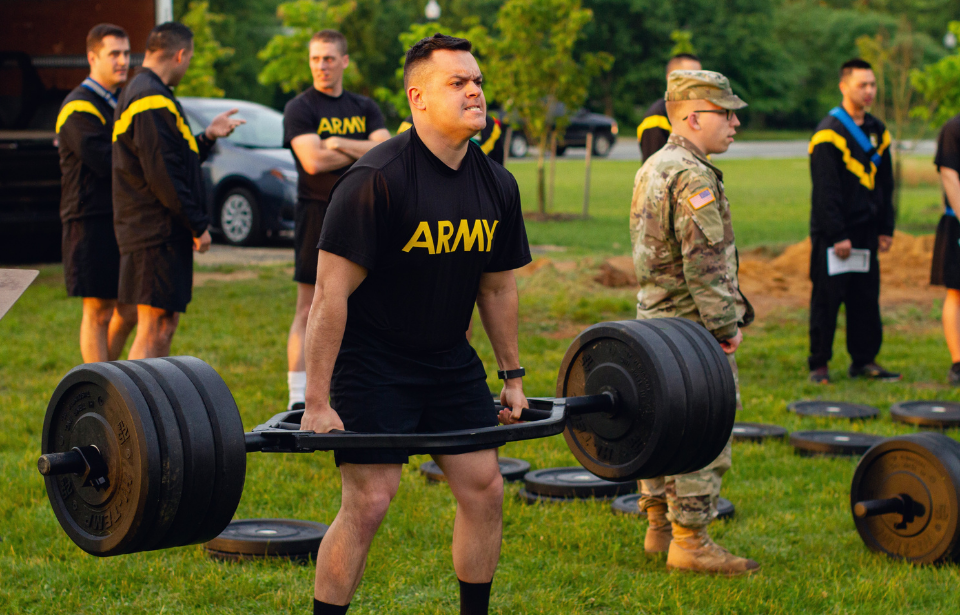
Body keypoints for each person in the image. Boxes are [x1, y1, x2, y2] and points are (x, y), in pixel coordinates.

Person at [301, 33, 532, 614]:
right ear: (418, 98)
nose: (475, 91)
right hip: (373, 359)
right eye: (458, 83)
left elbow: (498, 286)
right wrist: (318, 401)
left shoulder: (496, 183)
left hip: (449, 358)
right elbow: (329, 299)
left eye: (477, 81)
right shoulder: (376, 179)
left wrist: (513, 376)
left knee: (485, 489)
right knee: (371, 500)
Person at [630, 70, 759, 575]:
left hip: (653, 326)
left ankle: (658, 527)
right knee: (705, 425)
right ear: (694, 116)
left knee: (659, 423)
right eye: (727, 114)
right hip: (690, 331)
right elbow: (704, 266)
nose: (734, 124)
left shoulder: (654, 165)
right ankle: (691, 541)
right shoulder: (693, 174)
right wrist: (725, 327)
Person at [112, 22, 243, 359]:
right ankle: (134, 411)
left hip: (154, 230)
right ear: (180, 54)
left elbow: (172, 160)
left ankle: (143, 409)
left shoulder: (148, 93)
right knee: (155, 326)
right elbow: (163, 175)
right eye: (190, 59)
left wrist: (209, 136)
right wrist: (197, 224)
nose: (187, 66)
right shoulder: (150, 98)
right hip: (155, 232)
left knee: (162, 324)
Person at [283, 29, 390, 411]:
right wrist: (361, 150)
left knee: (363, 304)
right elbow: (312, 162)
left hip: (364, 213)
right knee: (310, 304)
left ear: (344, 61)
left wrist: (338, 143)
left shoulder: (364, 106)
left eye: (329, 58)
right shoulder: (300, 107)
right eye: (315, 59)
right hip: (316, 212)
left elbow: (386, 146)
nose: (321, 66)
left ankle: (358, 381)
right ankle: (300, 396)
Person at [807, 59, 899, 384]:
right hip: (835, 236)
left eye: (873, 84)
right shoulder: (828, 134)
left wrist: (886, 228)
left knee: (865, 299)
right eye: (863, 85)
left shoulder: (878, 131)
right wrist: (838, 234)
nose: (870, 91)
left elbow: (887, 184)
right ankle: (819, 364)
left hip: (867, 232)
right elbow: (825, 191)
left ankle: (864, 360)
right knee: (827, 300)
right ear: (844, 86)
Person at [56, 23, 137, 362]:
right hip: (89, 220)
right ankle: (96, 394)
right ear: (92, 57)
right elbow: (107, 162)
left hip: (119, 219)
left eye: (126, 53)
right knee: (98, 311)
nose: (123, 61)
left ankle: (108, 383)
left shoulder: (120, 101)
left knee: (130, 311)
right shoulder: (78, 107)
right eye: (113, 54)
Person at [930, 113, 960, 384]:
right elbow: (949, 176)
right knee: (957, 292)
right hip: (957, 222)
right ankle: (958, 363)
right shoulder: (954, 128)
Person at [636, 53, 702, 161]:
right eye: (690, 77)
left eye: (699, 77)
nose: (697, 83)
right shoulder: (656, 119)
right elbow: (654, 172)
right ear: (671, 78)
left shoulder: (696, 112)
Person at [399, 113, 504, 165]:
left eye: (477, 83)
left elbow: (497, 174)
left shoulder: (488, 125)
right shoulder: (415, 123)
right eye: (457, 84)